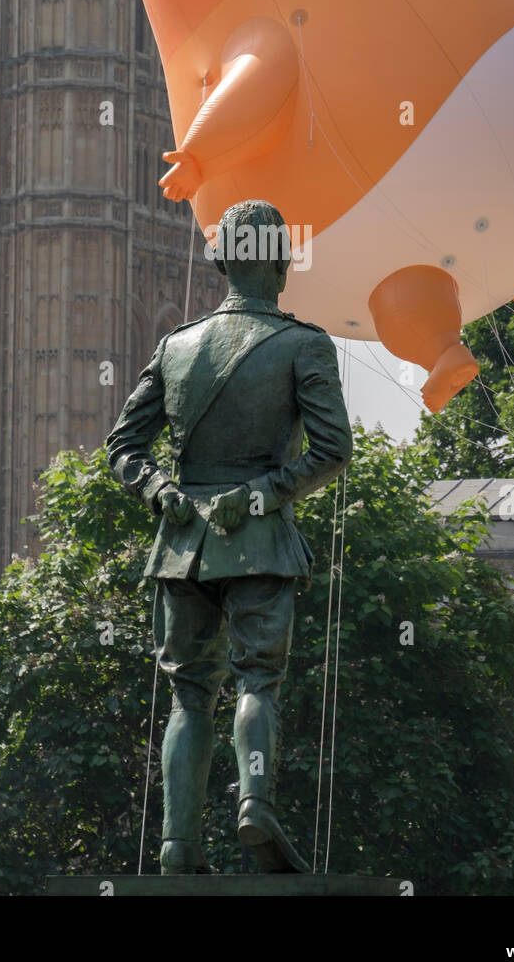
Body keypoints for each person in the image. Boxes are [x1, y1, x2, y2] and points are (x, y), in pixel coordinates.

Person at [106, 199, 353, 874]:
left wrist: (162, 492)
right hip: (258, 539)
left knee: (189, 695)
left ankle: (177, 844)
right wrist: (268, 493)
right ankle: (255, 800)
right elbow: (333, 450)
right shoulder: (304, 345)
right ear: (276, 261)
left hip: (183, 547)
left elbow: (123, 446)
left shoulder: (176, 345)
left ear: (220, 262)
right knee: (256, 681)